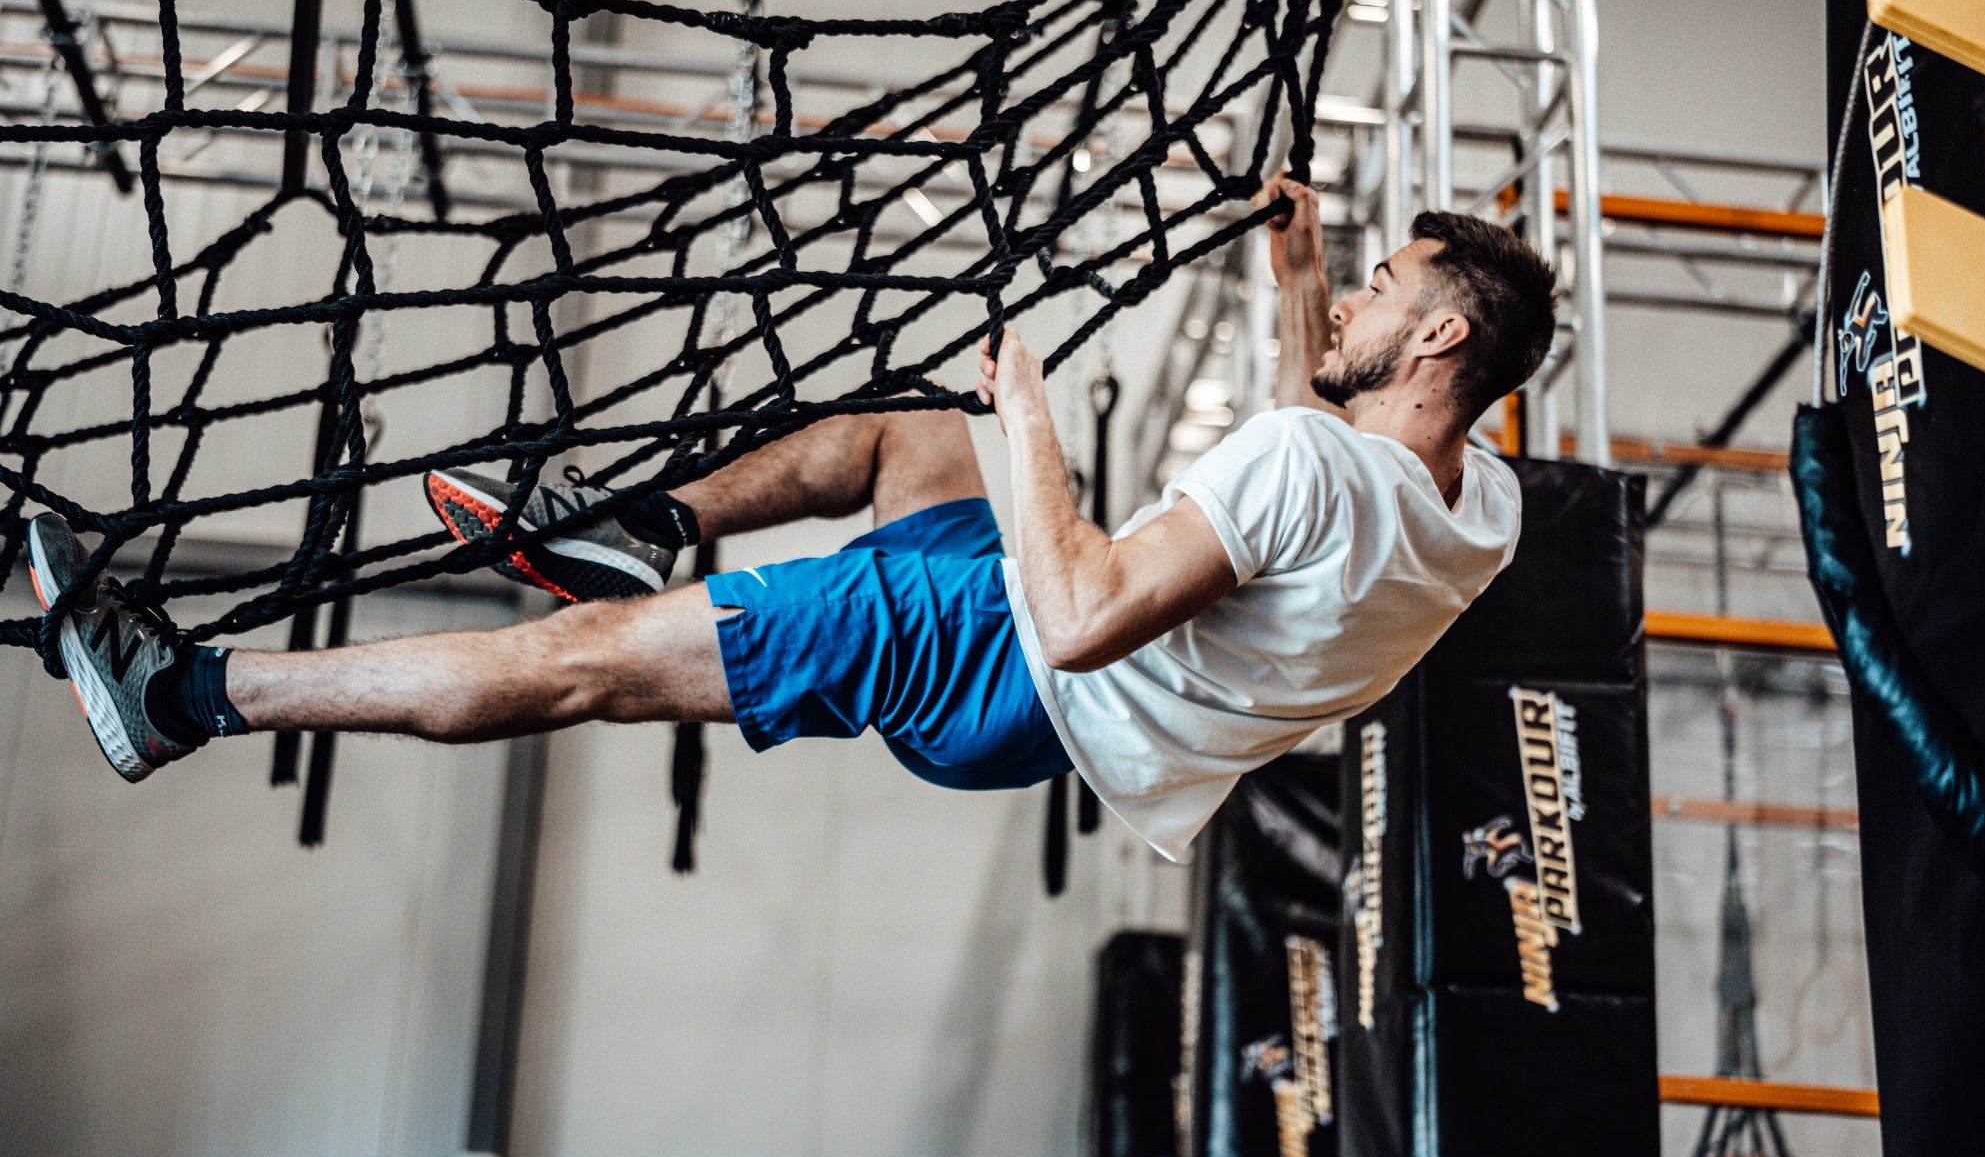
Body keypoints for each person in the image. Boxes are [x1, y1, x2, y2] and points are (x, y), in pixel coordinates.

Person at [27, 180, 1554, 861]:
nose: (1354, 299)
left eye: (1384, 291)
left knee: (588, 660)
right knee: (907, 425)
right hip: (1036, 687)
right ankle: (648, 521)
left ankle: (178, 695)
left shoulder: (1305, 461)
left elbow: (1086, 615)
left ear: (1432, 347)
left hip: (1009, 651)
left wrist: (1033, 418)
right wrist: (1301, 270)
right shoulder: (1474, 508)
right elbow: (1339, 446)